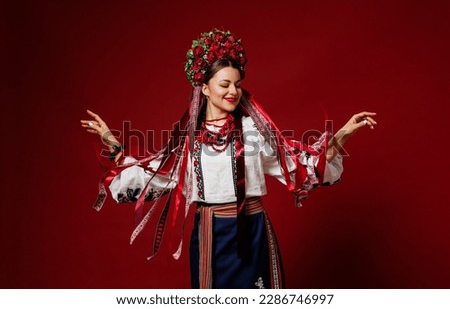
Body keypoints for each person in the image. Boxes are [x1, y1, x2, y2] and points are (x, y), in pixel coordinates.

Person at [81, 28, 377, 289]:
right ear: (205, 88)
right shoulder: (190, 141)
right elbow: (155, 176)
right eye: (224, 85)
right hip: (212, 236)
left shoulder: (254, 132)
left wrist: (341, 136)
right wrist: (112, 142)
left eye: (237, 84)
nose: (233, 91)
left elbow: (300, 166)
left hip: (254, 232)